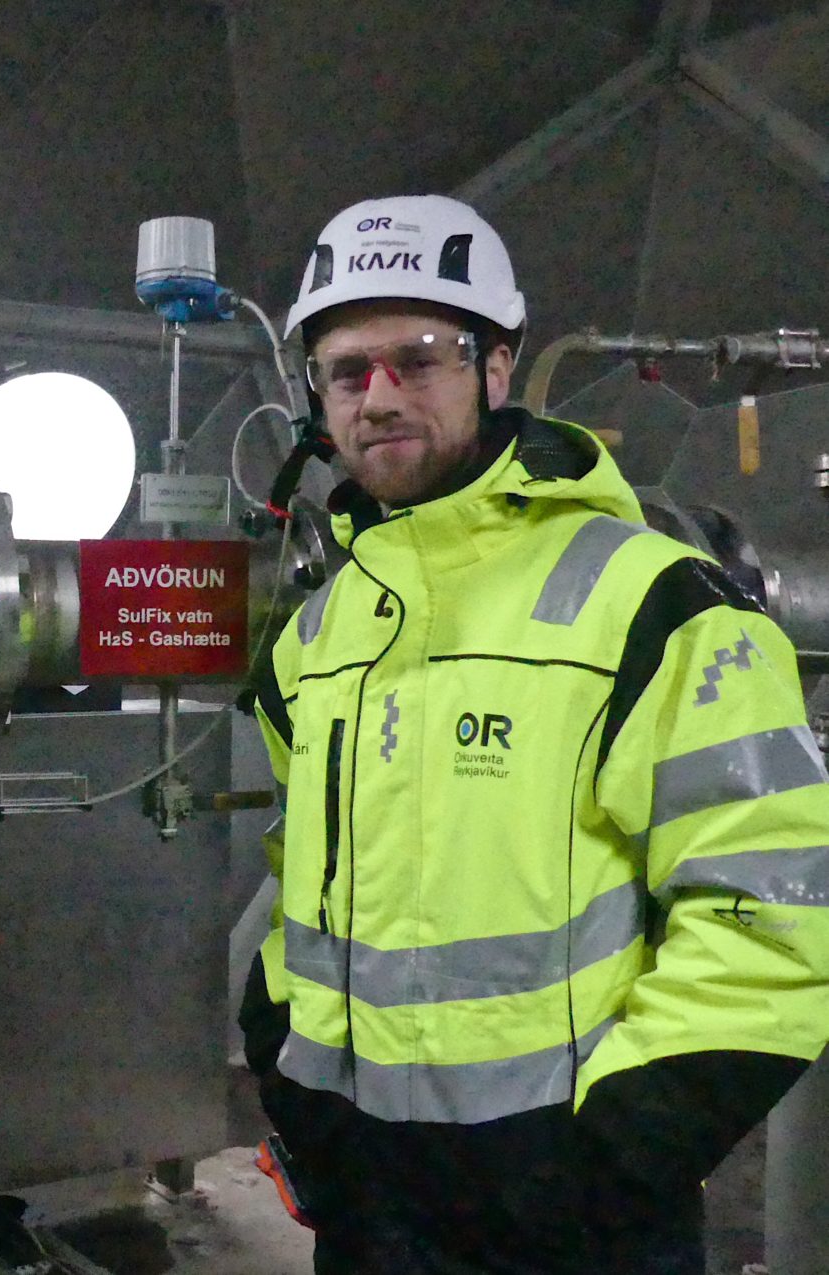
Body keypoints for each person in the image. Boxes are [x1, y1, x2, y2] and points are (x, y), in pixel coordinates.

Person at [238, 193, 829, 1273]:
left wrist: (611, 1163)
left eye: (417, 359)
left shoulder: (651, 605)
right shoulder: (318, 633)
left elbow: (771, 915)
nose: (377, 397)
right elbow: (303, 887)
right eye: (345, 370)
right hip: (368, 1213)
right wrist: (283, 1063)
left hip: (577, 1221)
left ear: (495, 368)